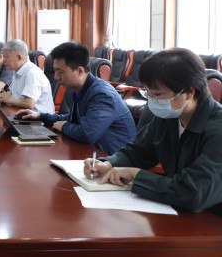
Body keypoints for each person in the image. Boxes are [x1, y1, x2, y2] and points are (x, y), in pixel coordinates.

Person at [84, 48, 222, 215]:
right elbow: (138, 152)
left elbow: (193, 192)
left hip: (211, 219)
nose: (151, 101)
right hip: (177, 211)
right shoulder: (169, 117)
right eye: (147, 93)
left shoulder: (217, 128)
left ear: (189, 92)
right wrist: (108, 164)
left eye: (157, 95)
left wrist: (136, 175)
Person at [16, 41, 135, 154]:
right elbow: (73, 119)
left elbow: (87, 134)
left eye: (60, 72)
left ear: (79, 71)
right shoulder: (79, 88)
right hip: (92, 153)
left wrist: (64, 126)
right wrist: (40, 116)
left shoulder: (102, 95)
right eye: (55, 71)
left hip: (110, 159)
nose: (56, 77)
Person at [0, 39, 54, 113]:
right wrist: (4, 97)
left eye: (6, 57)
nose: (4, 60)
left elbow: (29, 103)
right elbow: (14, 94)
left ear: (19, 57)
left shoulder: (32, 73)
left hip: (38, 118)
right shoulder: (17, 71)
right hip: (22, 114)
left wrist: (9, 100)